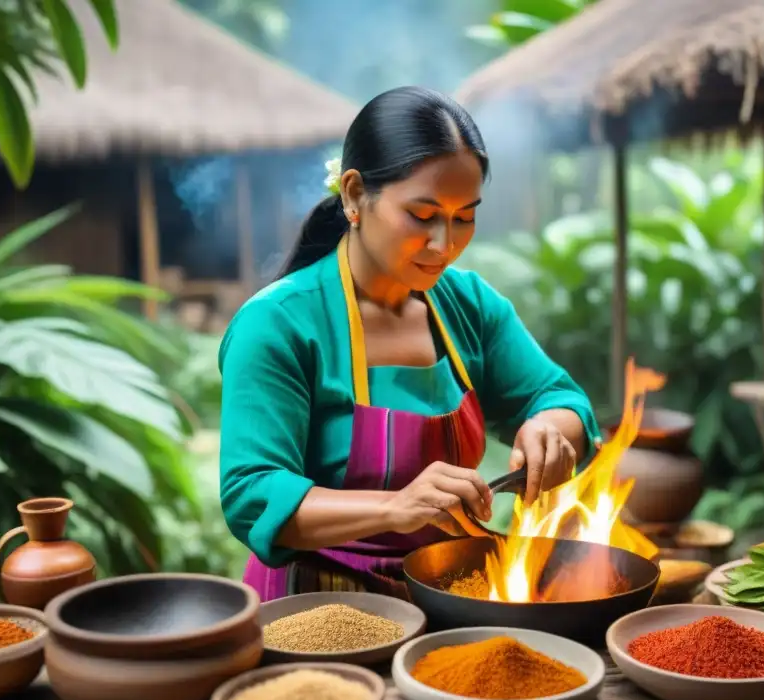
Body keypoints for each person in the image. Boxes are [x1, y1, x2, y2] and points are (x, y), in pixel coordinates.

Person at [219, 85, 600, 601]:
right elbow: (253, 492)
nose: (445, 244)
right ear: (354, 195)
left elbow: (561, 398)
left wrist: (549, 430)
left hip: (450, 591)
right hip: (315, 607)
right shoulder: (277, 324)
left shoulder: (468, 305)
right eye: (422, 216)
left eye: (464, 216)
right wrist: (396, 507)